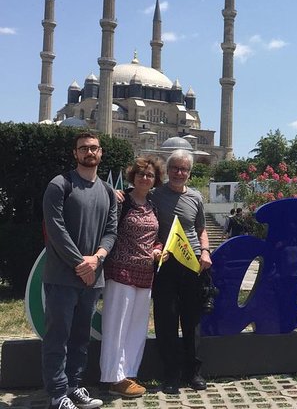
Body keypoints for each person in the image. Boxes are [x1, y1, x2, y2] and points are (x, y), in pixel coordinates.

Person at [42, 131, 117, 409]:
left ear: (100, 153)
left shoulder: (107, 191)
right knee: (58, 337)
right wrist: (79, 263)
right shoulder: (60, 185)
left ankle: (74, 386)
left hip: (92, 278)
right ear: (75, 153)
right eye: (83, 148)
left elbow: (111, 231)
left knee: (80, 337)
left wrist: (97, 259)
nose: (89, 152)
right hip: (63, 277)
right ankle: (57, 394)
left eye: (94, 148)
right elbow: (56, 230)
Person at [99, 157, 165, 398]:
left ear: (155, 179)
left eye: (149, 175)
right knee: (117, 325)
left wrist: (158, 248)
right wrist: (110, 192)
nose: (145, 178)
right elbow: (106, 226)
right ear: (133, 177)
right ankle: (113, 377)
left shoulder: (153, 206)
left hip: (145, 273)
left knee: (137, 327)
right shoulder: (121, 201)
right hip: (120, 271)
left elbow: (156, 237)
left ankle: (129, 372)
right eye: (141, 174)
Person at [150, 149, 212, 394]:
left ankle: (193, 372)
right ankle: (171, 374)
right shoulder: (156, 195)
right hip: (166, 265)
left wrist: (205, 251)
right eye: (175, 168)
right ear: (168, 170)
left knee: (191, 320)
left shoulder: (196, 197)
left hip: (192, 263)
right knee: (166, 321)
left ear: (189, 173)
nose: (179, 173)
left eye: (184, 169)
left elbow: (201, 230)